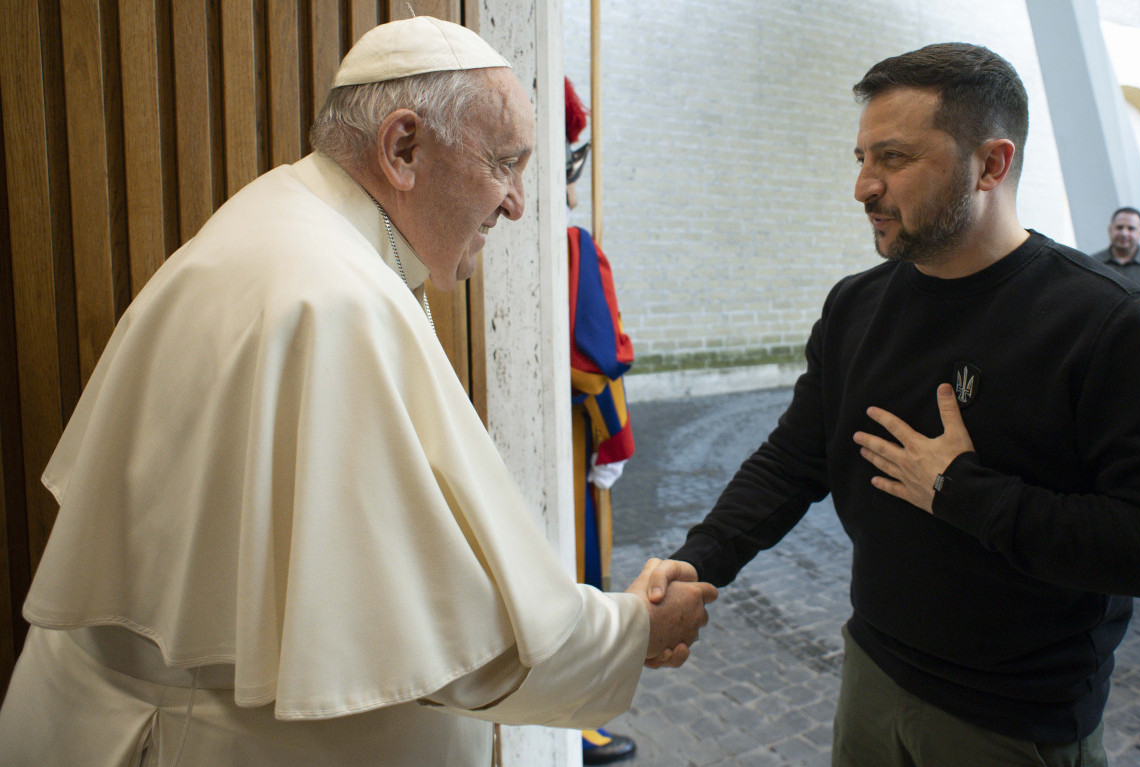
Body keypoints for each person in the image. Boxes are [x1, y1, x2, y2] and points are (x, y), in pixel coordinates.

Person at [0, 17, 717, 766]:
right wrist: (634, 631)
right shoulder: (335, 298)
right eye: (506, 164)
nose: (516, 205)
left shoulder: (281, 218)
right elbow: (447, 638)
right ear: (402, 148)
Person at [645, 43, 1140, 766]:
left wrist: (964, 491)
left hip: (1016, 717)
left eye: (893, 159)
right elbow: (792, 460)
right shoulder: (857, 305)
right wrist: (697, 561)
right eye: (860, 157)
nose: (863, 187)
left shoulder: (1105, 322)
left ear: (990, 164)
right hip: (871, 671)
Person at [565, 75, 639, 765]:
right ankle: (582, 721)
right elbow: (597, 357)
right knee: (583, 567)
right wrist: (616, 436)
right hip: (571, 435)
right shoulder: (572, 245)